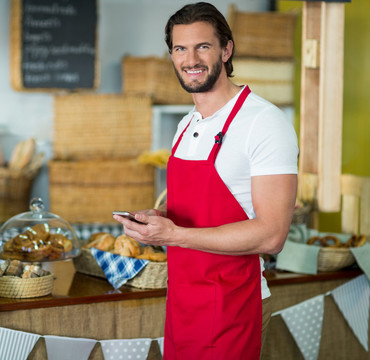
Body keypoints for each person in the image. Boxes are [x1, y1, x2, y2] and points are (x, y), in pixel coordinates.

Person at [113, 2, 298, 359]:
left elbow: (273, 235)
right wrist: (157, 217)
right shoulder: (186, 125)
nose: (190, 59)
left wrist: (173, 235)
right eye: (180, 48)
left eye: (203, 46)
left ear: (226, 50)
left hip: (234, 305)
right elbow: (193, 207)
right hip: (183, 302)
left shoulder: (264, 122)